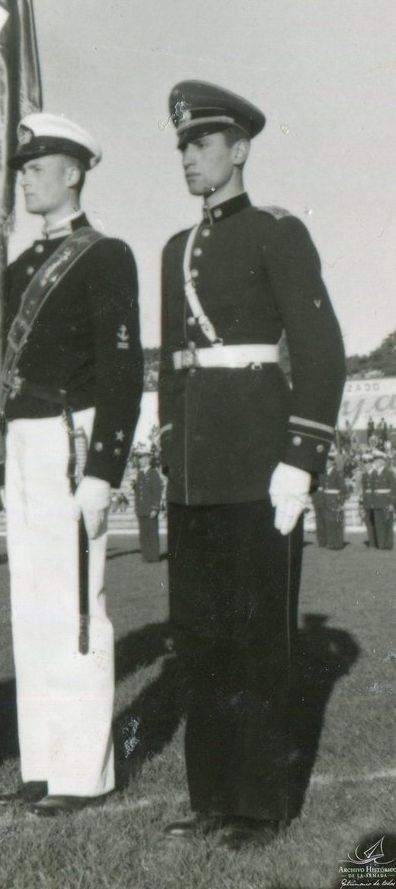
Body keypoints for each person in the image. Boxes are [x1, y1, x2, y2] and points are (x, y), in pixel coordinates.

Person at [158, 81, 346, 850]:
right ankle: (210, 798)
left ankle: (259, 805)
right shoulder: (174, 249)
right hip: (198, 471)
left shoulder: (276, 231)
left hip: (261, 463)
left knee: (257, 638)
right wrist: (172, 454)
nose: (188, 159)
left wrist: (299, 456)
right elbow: (172, 368)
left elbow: (321, 349)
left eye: (200, 144)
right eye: (181, 147)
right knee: (201, 643)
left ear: (237, 150)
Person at [0, 113, 144, 817]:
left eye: (35, 168)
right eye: (19, 167)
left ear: (73, 172)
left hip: (70, 439)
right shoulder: (26, 261)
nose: (24, 177)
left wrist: (103, 470)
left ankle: (82, 772)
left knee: (74, 609)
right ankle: (45, 761)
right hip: (24, 445)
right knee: (31, 607)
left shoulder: (104, 254)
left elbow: (123, 370)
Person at [132, 450, 163, 562]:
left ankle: (154, 556)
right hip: (141, 509)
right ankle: (146, 556)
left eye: (143, 458)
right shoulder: (140, 474)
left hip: (150, 509)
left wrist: (155, 508)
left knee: (152, 533)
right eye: (140, 458)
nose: (141, 460)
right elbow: (138, 493)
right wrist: (136, 507)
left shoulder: (153, 473)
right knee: (143, 534)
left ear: (148, 459)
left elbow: (157, 491)